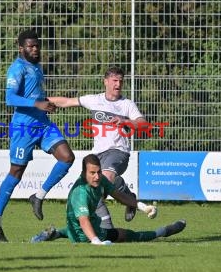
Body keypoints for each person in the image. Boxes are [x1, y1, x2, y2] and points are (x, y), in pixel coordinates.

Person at [0, 30, 75, 242]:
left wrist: (46, 102)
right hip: (23, 128)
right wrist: (37, 104)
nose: (35, 49)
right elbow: (10, 97)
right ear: (21, 48)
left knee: (67, 157)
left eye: (37, 45)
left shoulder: (36, 66)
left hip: (42, 124)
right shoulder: (16, 68)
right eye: (30, 46)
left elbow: (33, 95)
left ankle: (38, 196)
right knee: (16, 172)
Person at [48, 66, 157, 229]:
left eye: (120, 81)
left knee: (99, 184)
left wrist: (127, 122)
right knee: (86, 187)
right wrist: (38, 101)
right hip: (98, 154)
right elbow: (67, 102)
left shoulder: (126, 104)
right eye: (114, 80)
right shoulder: (94, 100)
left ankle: (106, 228)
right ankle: (128, 197)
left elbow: (143, 124)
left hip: (118, 152)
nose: (118, 84)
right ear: (105, 82)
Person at [30, 154, 186, 244]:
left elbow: (118, 195)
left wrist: (141, 206)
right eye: (92, 173)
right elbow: (84, 221)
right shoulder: (80, 193)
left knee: (78, 228)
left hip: (84, 225)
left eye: (98, 172)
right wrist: (96, 242)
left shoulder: (100, 179)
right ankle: (162, 232)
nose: (97, 176)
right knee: (128, 235)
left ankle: (55, 233)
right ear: (83, 172)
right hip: (84, 235)